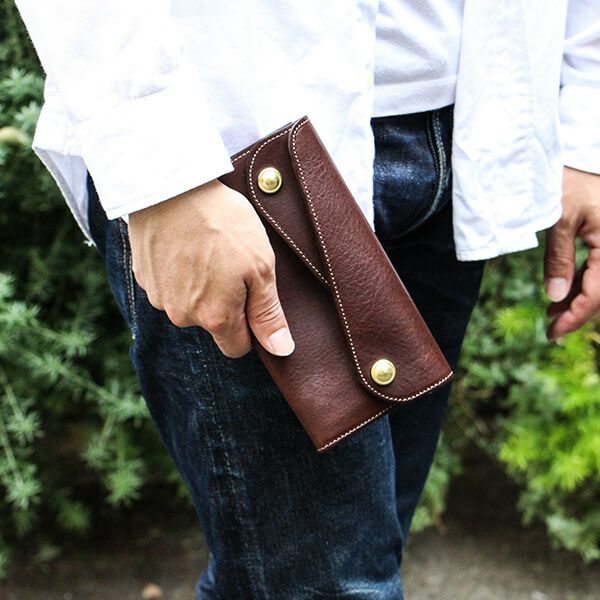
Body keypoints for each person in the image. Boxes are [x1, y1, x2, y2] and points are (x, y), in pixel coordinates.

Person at [15, 1, 600, 598]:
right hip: (230, 161)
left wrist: (588, 118)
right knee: (326, 585)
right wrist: (162, 172)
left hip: (469, 133)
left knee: (318, 569)